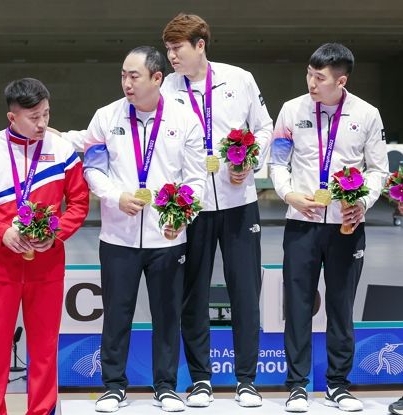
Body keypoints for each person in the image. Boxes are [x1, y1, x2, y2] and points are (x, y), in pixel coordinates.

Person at [64, 46, 205, 412]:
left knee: (167, 313)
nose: (126, 82)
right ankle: (113, 386)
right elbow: (93, 169)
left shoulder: (185, 119)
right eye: (123, 75)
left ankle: (166, 386)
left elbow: (194, 179)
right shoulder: (106, 116)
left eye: (134, 76)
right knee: (116, 313)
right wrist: (115, 197)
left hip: (168, 237)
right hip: (118, 236)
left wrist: (182, 216)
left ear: (157, 78)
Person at [159, 13, 273, 407]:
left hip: (240, 204)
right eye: (168, 49)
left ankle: (246, 380)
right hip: (193, 209)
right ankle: (201, 379)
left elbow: (263, 127)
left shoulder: (239, 79)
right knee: (193, 295)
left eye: (177, 48)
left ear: (200, 45)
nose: (171, 56)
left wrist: (250, 162)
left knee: (246, 292)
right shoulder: (167, 89)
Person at [0, 78, 89, 415]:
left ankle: (43, 411)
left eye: (46, 114)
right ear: (12, 117)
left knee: (44, 349)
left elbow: (78, 203)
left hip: (47, 267)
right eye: (34, 117)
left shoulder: (61, 151)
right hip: (0, 267)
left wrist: (56, 234)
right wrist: (1, 232)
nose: (43, 123)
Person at [269, 43, 389, 413]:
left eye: (319, 78)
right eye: (309, 73)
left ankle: (338, 385)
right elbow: (277, 162)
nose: (311, 83)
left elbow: (377, 170)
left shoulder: (367, 114)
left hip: (346, 228)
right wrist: (289, 195)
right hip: (301, 224)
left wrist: (362, 203)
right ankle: (298, 386)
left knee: (340, 306)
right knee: (298, 305)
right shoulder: (292, 109)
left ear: (342, 80)